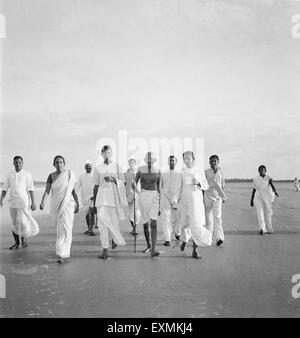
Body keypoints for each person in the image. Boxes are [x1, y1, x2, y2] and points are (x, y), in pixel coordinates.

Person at [40, 155, 79, 263]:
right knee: (59, 229)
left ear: (64, 163)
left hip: (68, 205)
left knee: (66, 228)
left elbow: (73, 191)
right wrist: (43, 201)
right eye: (57, 162)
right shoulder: (51, 176)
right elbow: (47, 191)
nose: (59, 164)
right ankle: (61, 251)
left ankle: (62, 254)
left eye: (61, 162)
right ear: (54, 164)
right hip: (56, 205)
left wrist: (78, 203)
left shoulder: (69, 175)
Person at [93, 145, 127, 259]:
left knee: (113, 223)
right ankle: (105, 250)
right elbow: (96, 186)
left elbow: (124, 182)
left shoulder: (117, 166)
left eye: (109, 153)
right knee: (102, 225)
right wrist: (94, 204)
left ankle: (115, 239)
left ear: (112, 154)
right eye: (105, 153)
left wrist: (113, 179)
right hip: (101, 199)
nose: (107, 155)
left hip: (113, 199)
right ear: (102, 154)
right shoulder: (97, 168)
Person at [178, 151, 212, 259]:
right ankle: (184, 239)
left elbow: (206, 186)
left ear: (193, 159)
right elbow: (178, 187)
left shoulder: (199, 171)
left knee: (196, 225)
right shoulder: (181, 172)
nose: (187, 160)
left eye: (189, 158)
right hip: (184, 201)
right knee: (184, 225)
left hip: (196, 202)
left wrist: (198, 183)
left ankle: (195, 250)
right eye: (185, 159)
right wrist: (175, 200)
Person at [0, 156, 39, 250]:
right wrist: (1, 199)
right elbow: (5, 188)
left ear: (22, 163)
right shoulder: (10, 174)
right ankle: (16, 243)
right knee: (15, 223)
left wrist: (33, 202)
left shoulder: (27, 174)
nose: (18, 164)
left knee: (23, 222)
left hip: (24, 202)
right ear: (13, 163)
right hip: (13, 202)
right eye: (16, 162)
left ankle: (24, 240)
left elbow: (31, 189)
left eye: (19, 162)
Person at [134, 152, 161, 257]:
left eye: (152, 158)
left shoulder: (158, 171)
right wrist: (138, 193)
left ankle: (153, 250)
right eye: (148, 158)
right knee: (145, 223)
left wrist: (160, 204)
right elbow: (134, 183)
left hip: (155, 196)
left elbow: (159, 188)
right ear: (145, 160)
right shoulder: (140, 169)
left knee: (153, 222)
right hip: (143, 195)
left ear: (154, 160)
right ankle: (149, 245)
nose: (150, 160)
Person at [204, 155, 227, 247]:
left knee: (217, 217)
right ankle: (208, 238)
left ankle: (219, 238)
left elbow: (222, 186)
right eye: (211, 161)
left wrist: (223, 196)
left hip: (217, 198)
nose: (213, 163)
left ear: (218, 162)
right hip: (207, 197)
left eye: (215, 161)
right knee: (208, 219)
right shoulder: (206, 172)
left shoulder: (221, 172)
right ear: (209, 163)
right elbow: (202, 185)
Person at [250, 165, 279, 235]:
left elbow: (272, 186)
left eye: (262, 169)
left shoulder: (268, 178)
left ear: (265, 170)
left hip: (266, 197)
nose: (261, 171)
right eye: (259, 169)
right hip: (258, 197)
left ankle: (269, 228)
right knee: (259, 213)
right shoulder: (256, 179)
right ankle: (262, 229)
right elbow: (254, 189)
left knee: (267, 213)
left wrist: (275, 192)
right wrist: (251, 199)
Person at [160, 155, 181, 246]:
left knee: (177, 218)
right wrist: (161, 197)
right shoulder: (163, 173)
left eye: (173, 160)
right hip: (165, 196)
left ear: (176, 162)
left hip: (176, 197)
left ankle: (177, 232)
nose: (171, 162)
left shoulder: (180, 173)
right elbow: (160, 186)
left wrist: (179, 198)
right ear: (168, 162)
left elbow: (182, 186)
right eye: (170, 160)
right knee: (166, 217)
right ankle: (167, 238)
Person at [77, 160, 96, 236]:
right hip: (84, 198)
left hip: (92, 197)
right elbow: (77, 187)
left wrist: (95, 195)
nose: (88, 168)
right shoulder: (81, 176)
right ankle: (89, 228)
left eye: (90, 166)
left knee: (92, 212)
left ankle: (91, 229)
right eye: (87, 166)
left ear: (92, 167)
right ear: (85, 167)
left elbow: (97, 185)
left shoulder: (94, 175)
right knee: (87, 213)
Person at [124, 158, 141, 236]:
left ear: (135, 164)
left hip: (137, 194)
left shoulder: (138, 173)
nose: (131, 164)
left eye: (133, 163)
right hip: (129, 195)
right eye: (130, 163)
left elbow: (140, 184)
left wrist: (138, 191)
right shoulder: (126, 173)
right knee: (131, 212)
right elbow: (124, 184)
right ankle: (134, 228)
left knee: (137, 212)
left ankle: (135, 227)